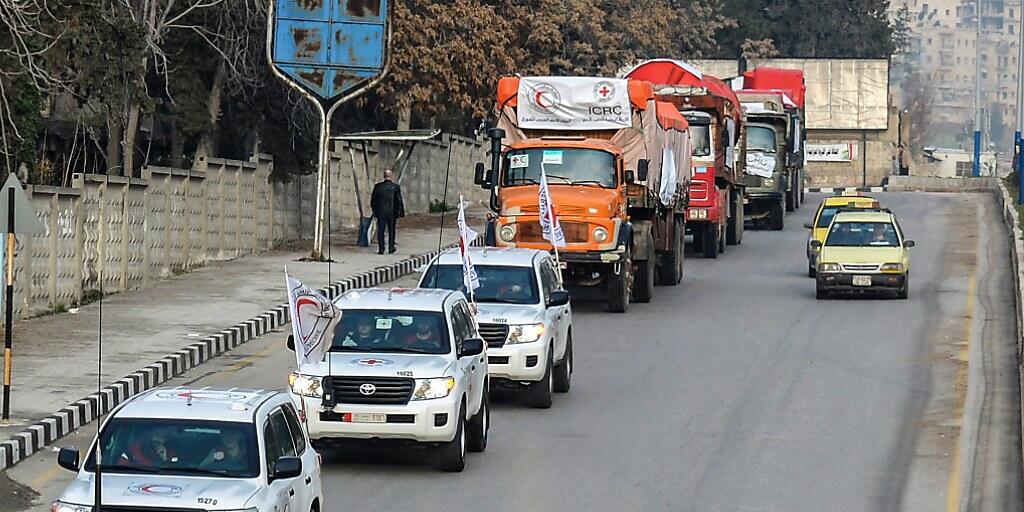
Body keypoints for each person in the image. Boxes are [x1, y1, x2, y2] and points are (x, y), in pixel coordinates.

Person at [370, 169, 405, 255]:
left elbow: (373, 200)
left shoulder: (378, 187)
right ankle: (391, 247)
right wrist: (401, 212)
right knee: (391, 230)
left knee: (381, 231)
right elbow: (399, 200)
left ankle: (381, 248)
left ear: (384, 176)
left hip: (381, 212)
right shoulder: (395, 187)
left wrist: (375, 211)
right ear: (391, 176)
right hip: (392, 212)